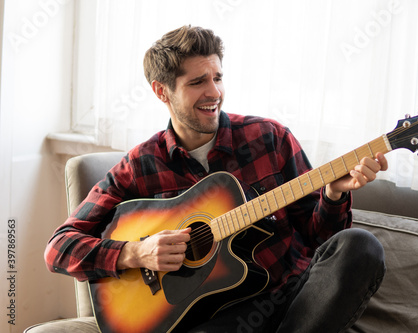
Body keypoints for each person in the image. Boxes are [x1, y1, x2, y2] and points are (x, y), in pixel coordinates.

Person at [44, 25, 388, 332]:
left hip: (297, 295)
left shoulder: (269, 137)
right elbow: (59, 249)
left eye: (217, 78)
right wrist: (136, 253)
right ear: (162, 92)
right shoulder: (140, 165)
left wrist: (332, 196)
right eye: (197, 82)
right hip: (217, 317)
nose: (214, 93)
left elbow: (321, 241)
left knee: (361, 246)